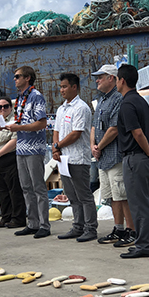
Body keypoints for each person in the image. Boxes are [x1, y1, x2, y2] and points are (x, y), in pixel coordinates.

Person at [116, 64, 149, 258]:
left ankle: (143, 245)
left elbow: (137, 132)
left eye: (117, 79)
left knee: (138, 203)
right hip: (145, 157)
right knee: (148, 201)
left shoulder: (127, 104)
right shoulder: (141, 101)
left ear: (122, 81)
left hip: (134, 158)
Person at [90, 65, 135, 248]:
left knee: (122, 195)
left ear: (112, 78)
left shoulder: (118, 99)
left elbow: (114, 128)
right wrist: (93, 146)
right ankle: (119, 229)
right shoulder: (101, 100)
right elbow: (94, 126)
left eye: (100, 77)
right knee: (112, 197)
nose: (97, 80)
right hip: (102, 158)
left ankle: (132, 230)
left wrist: (99, 146)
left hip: (115, 156)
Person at [5, 66, 51, 239]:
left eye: (18, 76)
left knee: (38, 187)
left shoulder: (36, 96)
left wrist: (19, 127)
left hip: (34, 148)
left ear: (28, 78)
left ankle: (44, 225)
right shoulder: (20, 98)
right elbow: (21, 120)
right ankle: (32, 223)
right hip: (21, 147)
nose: (15, 79)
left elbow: (41, 123)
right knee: (25, 187)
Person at [53, 73, 98, 242]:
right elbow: (56, 131)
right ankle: (77, 227)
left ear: (74, 87)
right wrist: (55, 149)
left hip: (78, 158)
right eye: (61, 87)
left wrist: (58, 146)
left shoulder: (81, 108)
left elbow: (76, 134)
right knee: (72, 195)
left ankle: (90, 228)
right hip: (64, 159)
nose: (62, 90)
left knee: (84, 195)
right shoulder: (61, 108)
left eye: (65, 86)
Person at [0, 96, 27, 228]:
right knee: (1, 191)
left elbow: (14, 141)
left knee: (14, 189)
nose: (2, 109)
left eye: (5, 106)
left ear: (11, 107)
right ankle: (6, 216)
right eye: (0, 107)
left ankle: (18, 218)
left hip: (8, 157)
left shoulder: (14, 121)